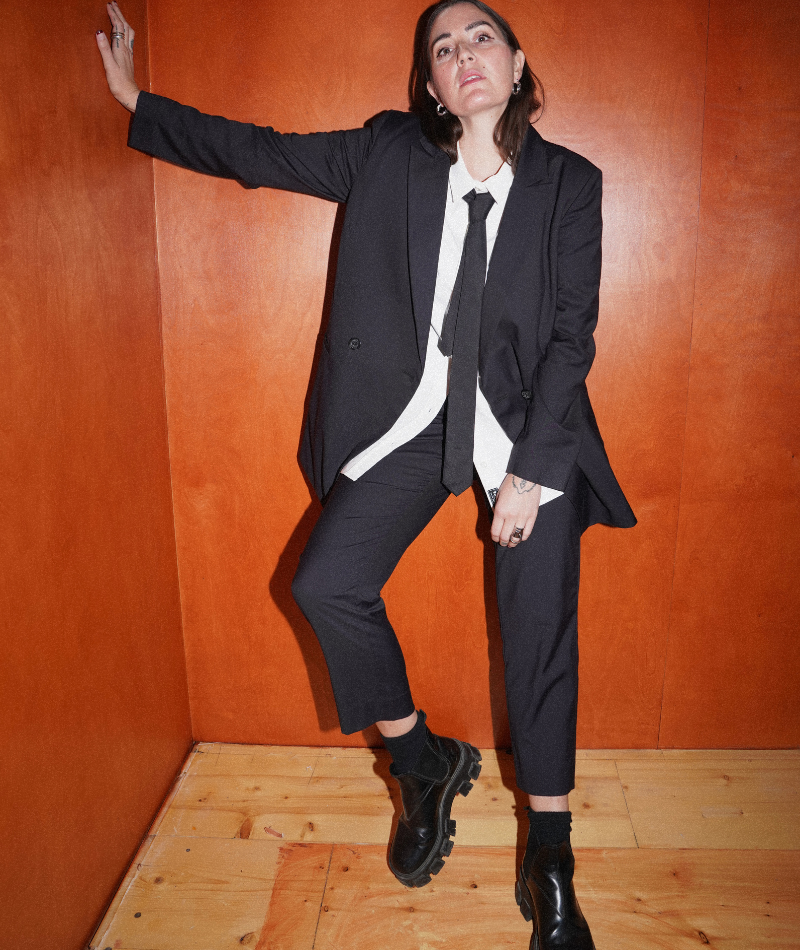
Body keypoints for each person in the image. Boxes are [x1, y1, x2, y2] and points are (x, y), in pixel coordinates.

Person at [97, 2, 636, 946]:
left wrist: (532, 474)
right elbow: (258, 153)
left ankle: (550, 852)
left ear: (517, 63)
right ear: (431, 86)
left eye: (481, 39)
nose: (464, 55)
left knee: (540, 627)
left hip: (523, 434)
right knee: (325, 582)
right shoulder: (387, 155)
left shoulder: (570, 185)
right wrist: (136, 99)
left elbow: (570, 338)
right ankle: (420, 758)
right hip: (415, 423)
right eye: (443, 48)